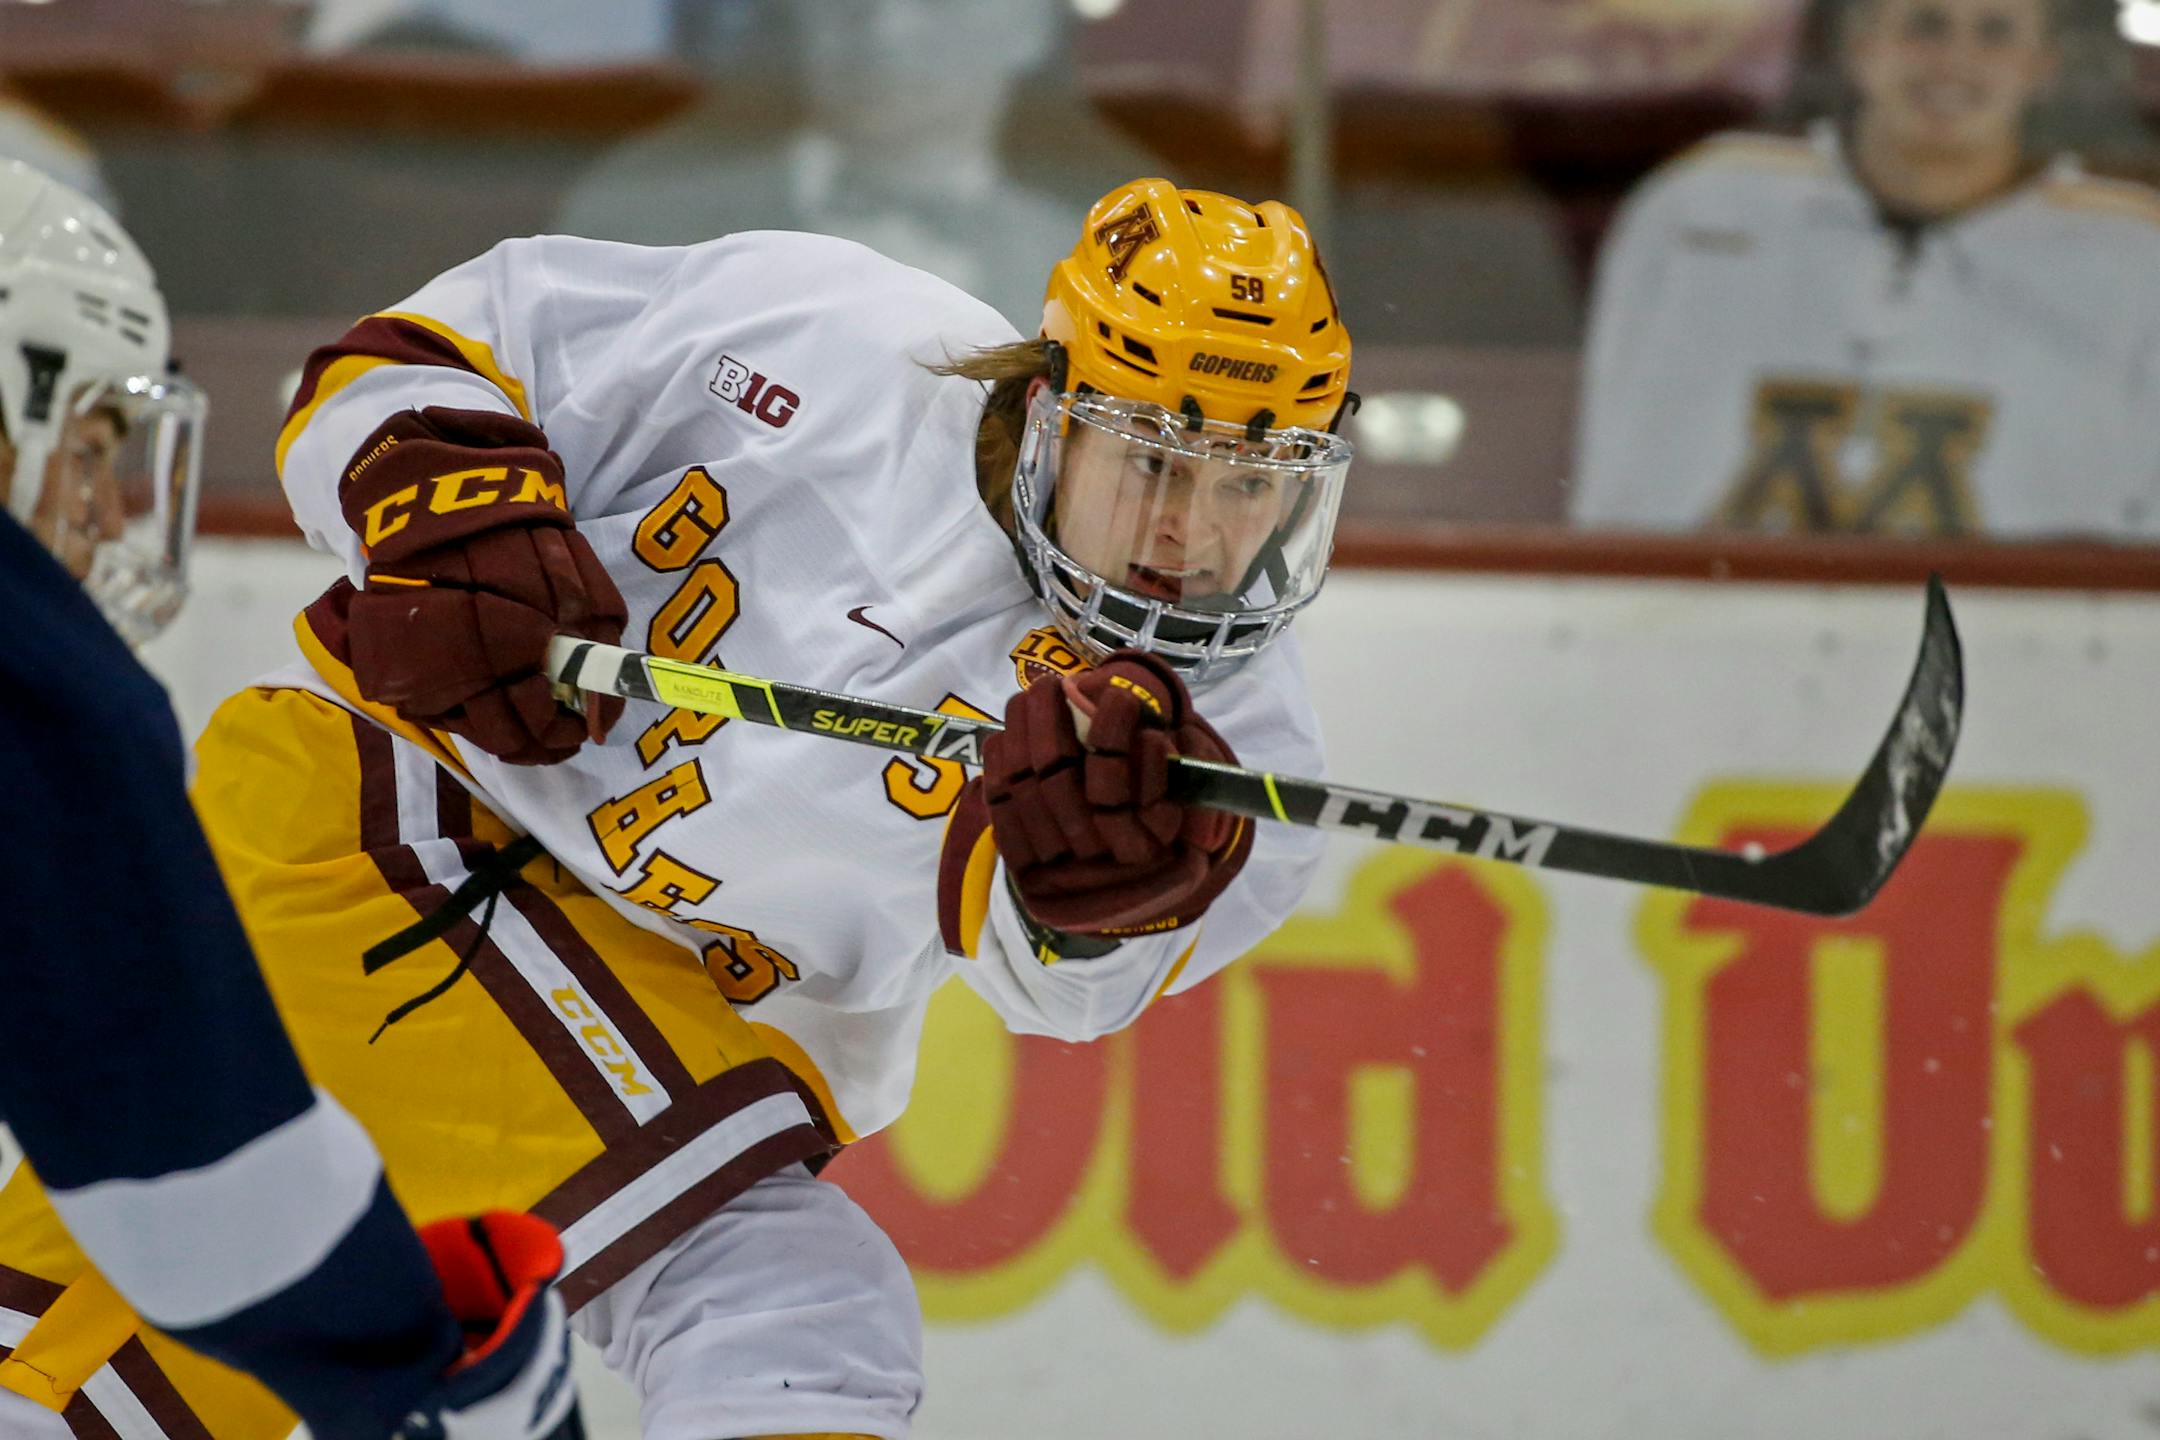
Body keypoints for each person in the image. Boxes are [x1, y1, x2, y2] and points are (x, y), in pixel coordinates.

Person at [0, 175, 1355, 1438]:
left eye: (1255, 484)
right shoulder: (825, 330)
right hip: (389, 835)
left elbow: (1061, 988)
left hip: (687, 1023)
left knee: (803, 1331)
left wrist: (1090, 896)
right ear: (1054, 405)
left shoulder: (1238, 746)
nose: (1199, 535)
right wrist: (445, 511)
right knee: (792, 1314)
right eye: (1158, 464)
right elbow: (408, 357)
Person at [0, 160, 582, 1440]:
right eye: (89, 448)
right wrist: (442, 1378)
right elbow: (199, 1183)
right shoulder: (32, 672)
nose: (104, 516)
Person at [1571, 0, 2160, 537]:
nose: (1954, 60)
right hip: (1703, 625)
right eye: (1926, 25)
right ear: (1861, 45)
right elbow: (1624, 467)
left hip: (2015, 642)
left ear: (2041, 66)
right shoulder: (1702, 209)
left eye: (1994, 33)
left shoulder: (2131, 255)